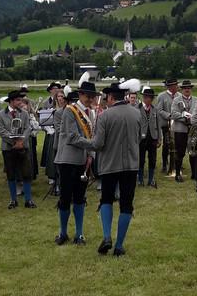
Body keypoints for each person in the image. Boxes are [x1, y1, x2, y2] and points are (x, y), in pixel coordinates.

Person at [70, 79, 142, 256]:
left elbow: (97, 144)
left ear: (110, 97)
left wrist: (79, 141)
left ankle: (107, 236)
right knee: (126, 205)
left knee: (107, 200)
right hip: (131, 166)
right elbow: (138, 139)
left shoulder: (104, 116)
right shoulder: (136, 114)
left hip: (110, 165)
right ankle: (119, 245)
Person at [52, 75, 97, 244]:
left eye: (92, 96)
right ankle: (63, 233)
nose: (90, 99)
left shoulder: (91, 113)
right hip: (67, 160)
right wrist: (93, 145)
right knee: (65, 198)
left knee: (80, 198)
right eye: (88, 96)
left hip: (83, 160)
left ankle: (79, 233)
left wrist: (91, 155)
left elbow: (92, 135)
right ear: (80, 95)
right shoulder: (70, 111)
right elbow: (72, 137)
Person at [0, 90, 36, 210]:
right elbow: (2, 131)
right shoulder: (0, 115)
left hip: (23, 147)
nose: (20, 102)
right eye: (18, 100)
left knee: (27, 174)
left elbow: (28, 128)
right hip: (9, 148)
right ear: (12, 101)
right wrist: (14, 142)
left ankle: (28, 200)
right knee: (11, 174)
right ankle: (13, 200)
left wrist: (21, 141)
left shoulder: (24, 113)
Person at [171, 80, 196, 182]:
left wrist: (192, 118)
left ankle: (194, 174)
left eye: (189, 88)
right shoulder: (176, 100)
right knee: (180, 153)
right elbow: (173, 113)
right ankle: (177, 174)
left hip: (193, 131)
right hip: (180, 130)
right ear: (182, 89)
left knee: (193, 152)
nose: (187, 89)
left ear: (191, 89)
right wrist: (184, 117)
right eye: (185, 88)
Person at [138, 87, 161, 188]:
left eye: (151, 98)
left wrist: (159, 138)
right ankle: (140, 180)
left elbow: (158, 124)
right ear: (144, 97)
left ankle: (151, 179)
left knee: (152, 159)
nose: (149, 100)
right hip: (141, 138)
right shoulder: (137, 109)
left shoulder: (155, 109)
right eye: (147, 97)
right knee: (141, 159)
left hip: (153, 137)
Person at [157, 78, 178, 174]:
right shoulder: (161, 96)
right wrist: (169, 116)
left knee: (177, 144)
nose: (177, 87)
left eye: (176, 85)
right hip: (166, 125)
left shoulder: (179, 95)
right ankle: (165, 164)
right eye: (175, 85)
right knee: (166, 144)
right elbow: (159, 110)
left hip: (177, 124)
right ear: (170, 87)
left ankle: (176, 163)